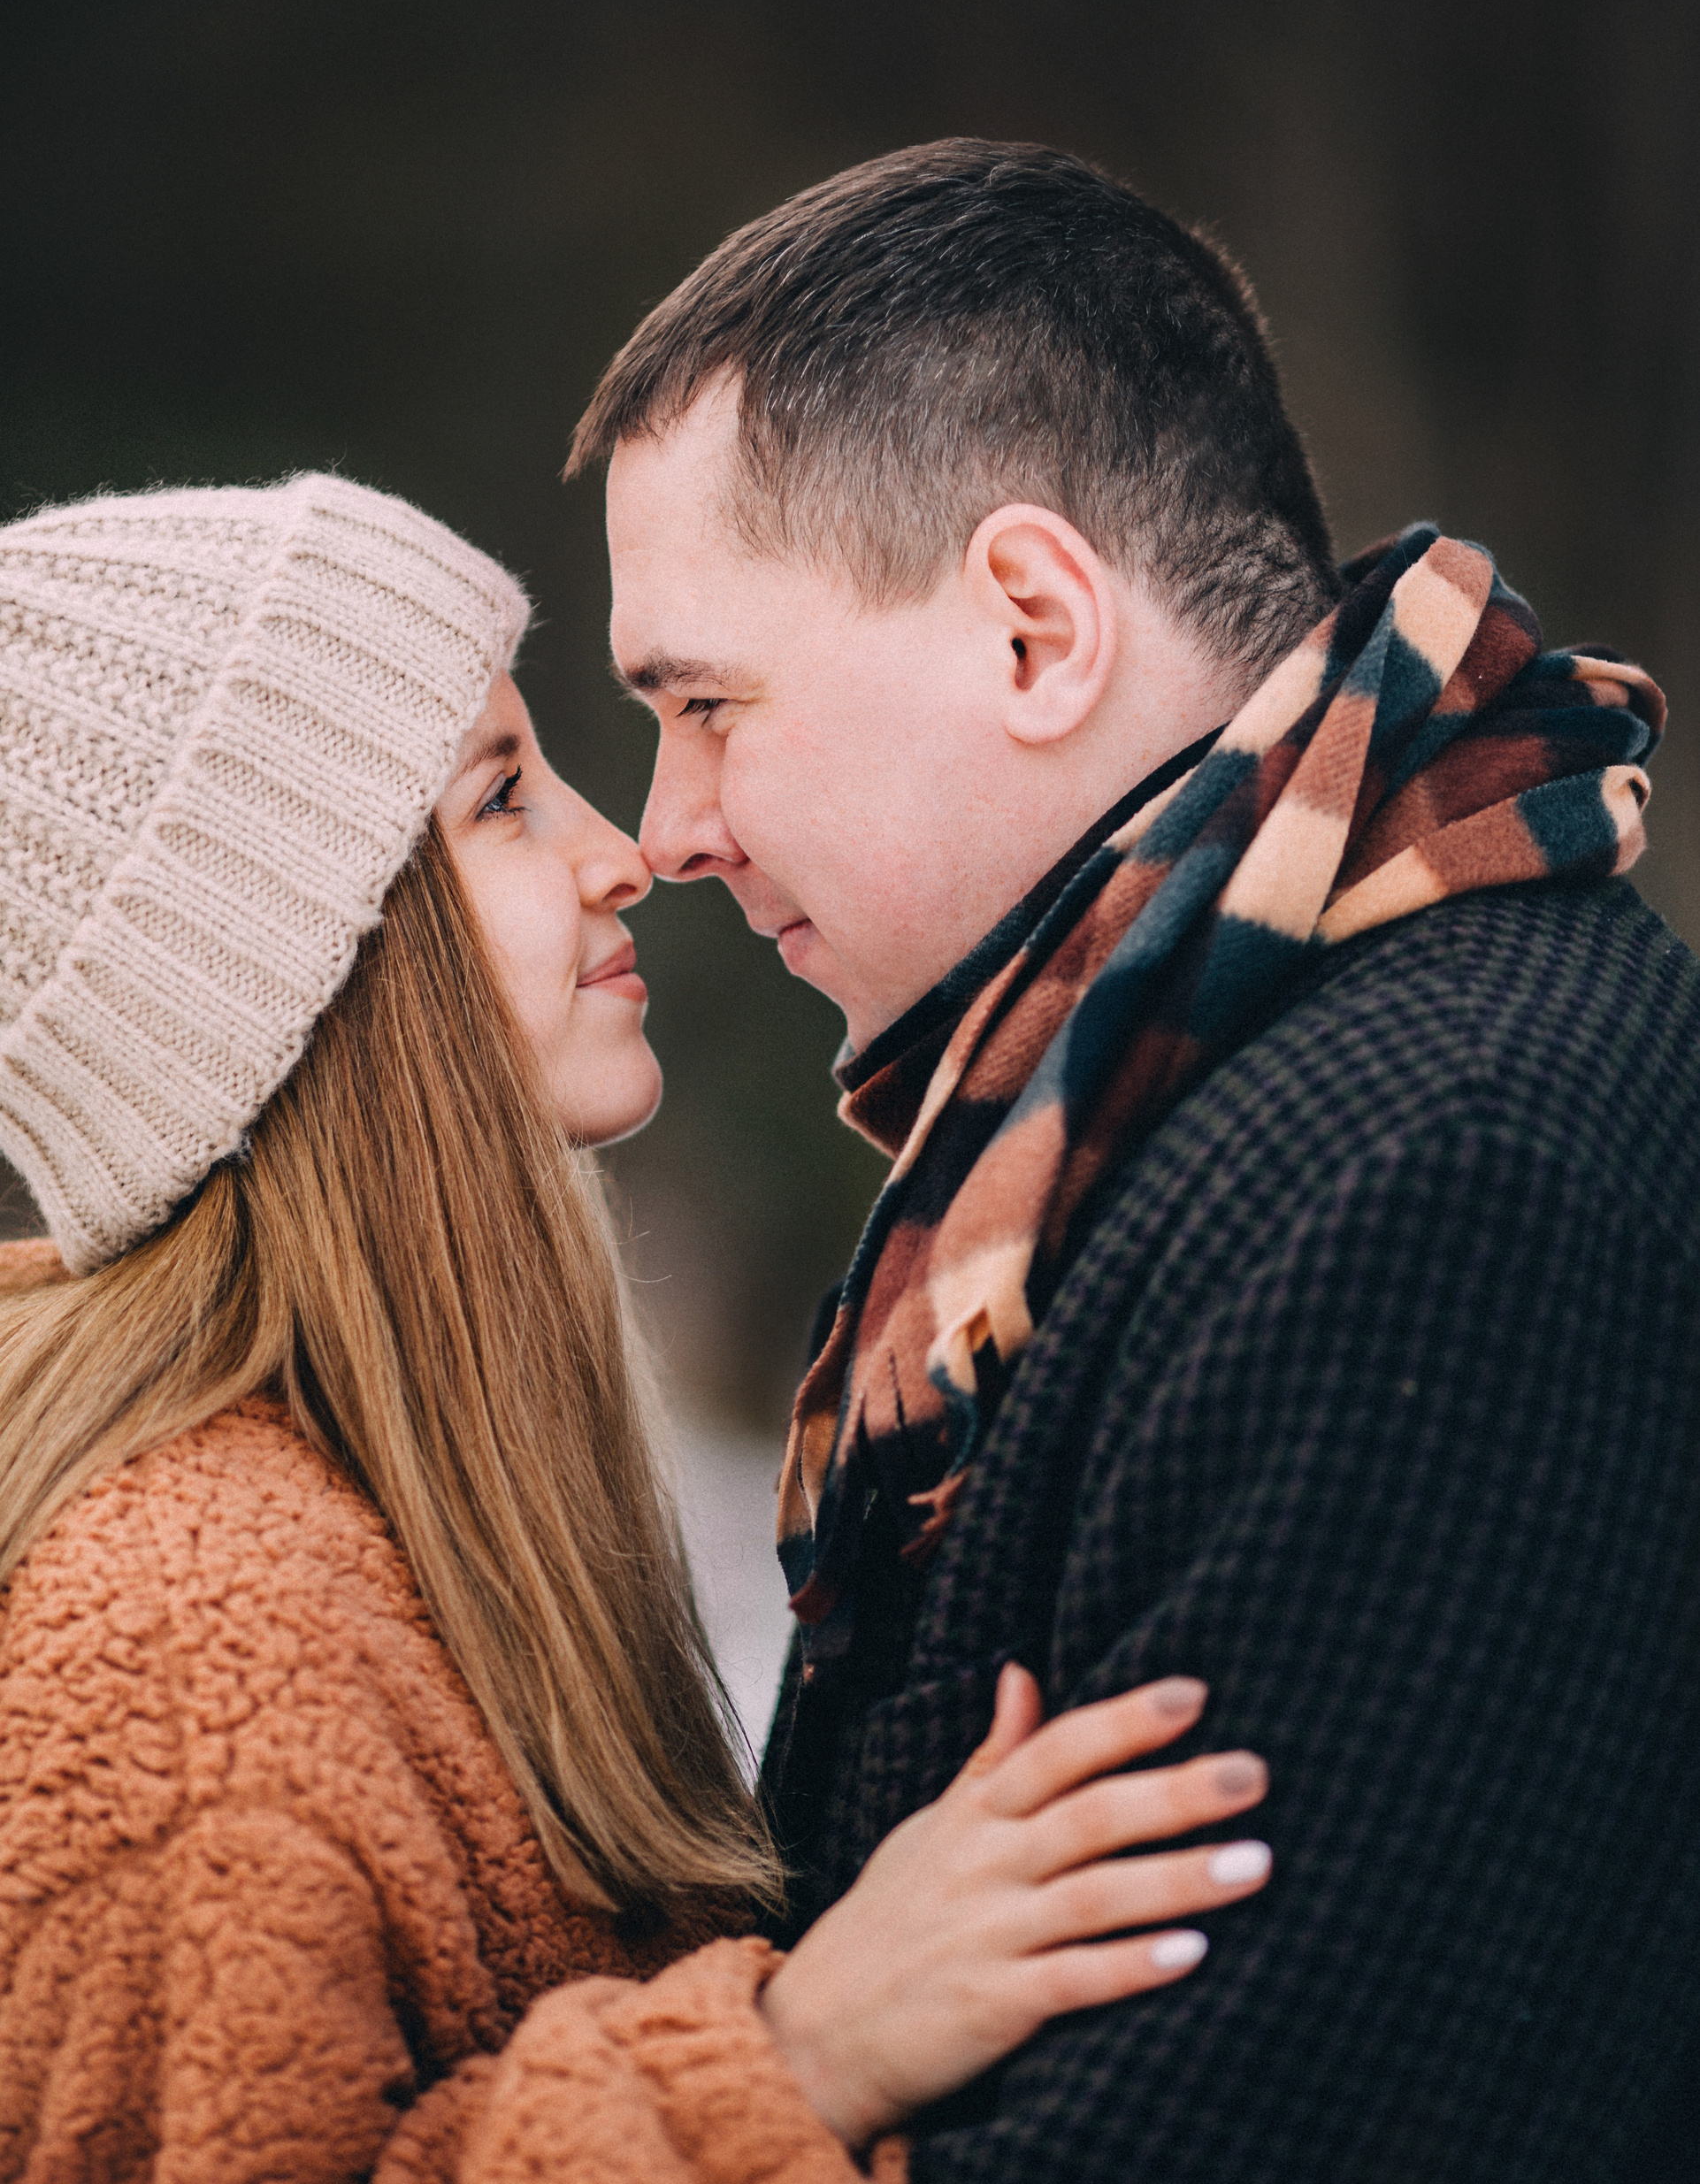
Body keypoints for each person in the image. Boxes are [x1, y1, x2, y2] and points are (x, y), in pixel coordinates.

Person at [567, 138, 1700, 2181]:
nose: (669, 828)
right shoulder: (1166, 1103)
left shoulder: (1431, 1174)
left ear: (1030, 627)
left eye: (708, 702)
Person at [0, 474, 1278, 2183]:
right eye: (504, 799)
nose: (625, 853)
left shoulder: (397, 1496)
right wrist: (793, 2056)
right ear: (295, 969)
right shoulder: (187, 1632)